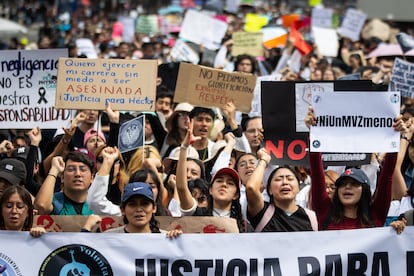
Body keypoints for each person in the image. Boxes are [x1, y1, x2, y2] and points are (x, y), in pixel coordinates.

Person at [305, 106, 402, 230]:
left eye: (354, 183)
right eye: (342, 184)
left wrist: (394, 135)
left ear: (365, 190)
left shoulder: (375, 214)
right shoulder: (324, 211)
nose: (347, 187)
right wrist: (314, 132)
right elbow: (316, 172)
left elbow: (387, 175)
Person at [175, 120, 249, 232]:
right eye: (219, 181)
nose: (224, 184)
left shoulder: (242, 224)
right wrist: (184, 147)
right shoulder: (198, 214)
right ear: (210, 189)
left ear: (236, 194)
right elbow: (181, 188)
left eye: (230, 183)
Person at [246, 148, 317, 232]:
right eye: (278, 179)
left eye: (290, 179)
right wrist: (263, 160)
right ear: (270, 190)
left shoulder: (311, 217)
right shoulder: (262, 212)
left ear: (298, 187)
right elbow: (251, 188)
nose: (285, 182)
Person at [103, 182, 181, 237]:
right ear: (123, 209)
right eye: (132, 204)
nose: (139, 209)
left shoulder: (166, 238)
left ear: (154, 208)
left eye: (145, 204)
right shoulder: (108, 238)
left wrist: (177, 241)